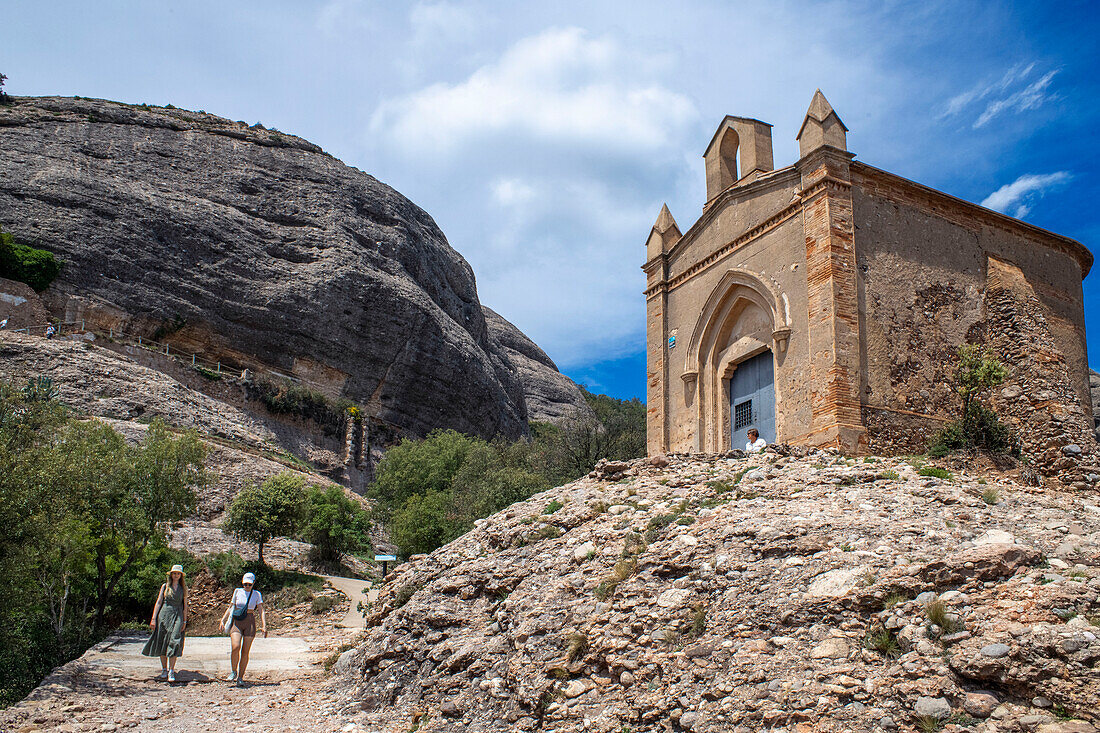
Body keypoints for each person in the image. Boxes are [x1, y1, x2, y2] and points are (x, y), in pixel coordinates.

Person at [141, 564, 189, 682]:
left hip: (177, 614)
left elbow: (185, 606)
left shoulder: (184, 588)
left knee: (174, 640)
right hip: (164, 614)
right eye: (174, 573)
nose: (176, 575)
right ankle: (164, 669)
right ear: (171, 574)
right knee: (162, 640)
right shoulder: (165, 586)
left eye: (178, 573)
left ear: (181, 575)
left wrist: (184, 620)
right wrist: (153, 618)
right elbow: (159, 602)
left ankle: (172, 670)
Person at [220, 572, 267, 686]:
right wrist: (223, 620)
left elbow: (261, 610)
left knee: (245, 651)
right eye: (245, 584)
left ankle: (241, 677)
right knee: (235, 647)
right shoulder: (237, 592)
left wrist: (264, 625)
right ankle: (233, 671)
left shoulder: (256, 594)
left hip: (249, 621)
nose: (247, 586)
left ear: (253, 584)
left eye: (249, 584)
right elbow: (231, 606)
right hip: (237, 621)